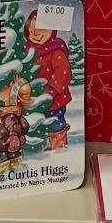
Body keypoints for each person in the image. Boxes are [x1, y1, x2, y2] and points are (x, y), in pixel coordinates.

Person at [24, 8, 73, 148]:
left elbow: (63, 73)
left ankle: (58, 144)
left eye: (39, 29)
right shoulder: (27, 51)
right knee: (37, 122)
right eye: (31, 31)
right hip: (33, 100)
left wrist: (51, 91)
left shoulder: (56, 50)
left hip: (54, 100)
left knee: (55, 121)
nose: (35, 34)